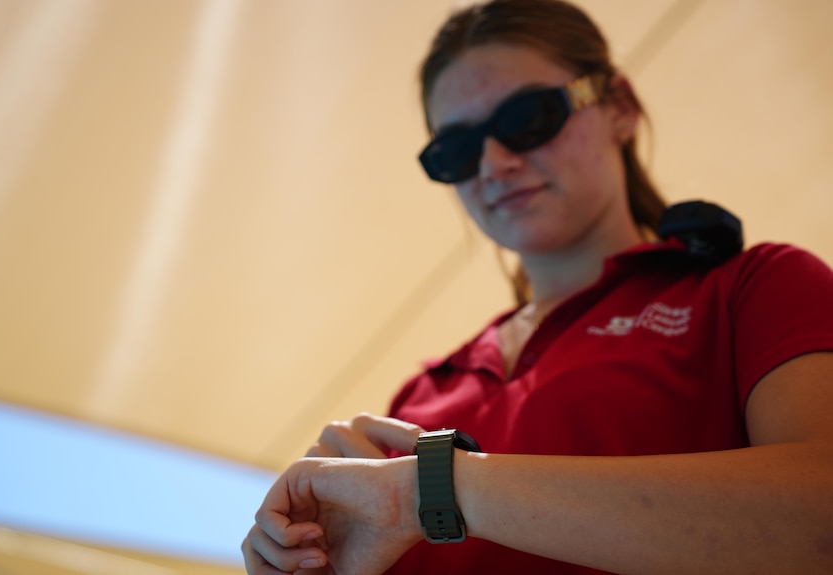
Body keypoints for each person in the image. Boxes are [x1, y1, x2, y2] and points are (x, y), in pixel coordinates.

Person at [243, 0, 833, 573]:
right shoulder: (419, 401)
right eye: (458, 150)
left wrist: (438, 486)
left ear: (619, 106)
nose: (495, 163)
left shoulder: (751, 287)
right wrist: (311, 556)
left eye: (527, 119)